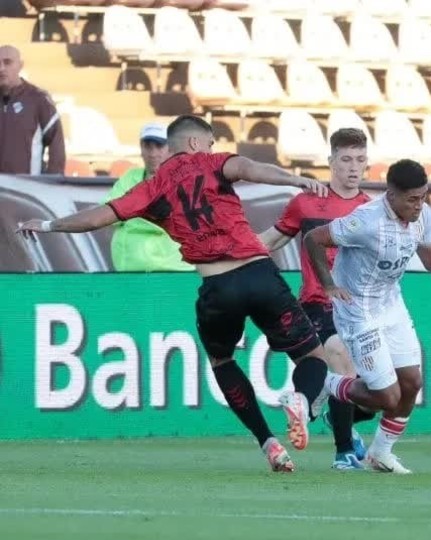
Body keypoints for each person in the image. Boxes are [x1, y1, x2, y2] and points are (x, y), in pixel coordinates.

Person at [17, 114, 359, 473]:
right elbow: (249, 167)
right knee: (313, 357)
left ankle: (268, 442)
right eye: (210, 143)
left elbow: (98, 217)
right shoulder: (212, 163)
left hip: (216, 287)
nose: (212, 149)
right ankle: (302, 400)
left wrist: (47, 225)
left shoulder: (151, 186)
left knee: (222, 362)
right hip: (259, 274)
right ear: (197, 143)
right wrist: (295, 179)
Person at [304, 159, 431, 474]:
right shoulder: (365, 221)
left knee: (412, 382)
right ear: (391, 194)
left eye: (423, 197)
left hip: (391, 306)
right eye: (412, 199)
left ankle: (380, 453)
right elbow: (313, 239)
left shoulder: (422, 217)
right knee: (388, 398)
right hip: (358, 311)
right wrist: (329, 285)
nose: (419, 205)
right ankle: (327, 383)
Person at [259, 127, 373, 470]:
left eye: (360, 160)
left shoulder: (372, 210)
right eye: (346, 160)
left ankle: (341, 424)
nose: (353, 167)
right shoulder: (307, 203)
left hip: (360, 310)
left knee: (378, 391)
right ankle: (344, 453)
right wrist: (225, 254)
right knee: (338, 357)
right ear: (331, 162)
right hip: (318, 304)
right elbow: (268, 242)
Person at [104, 122, 193, 272]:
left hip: (175, 270)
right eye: (148, 146)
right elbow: (109, 216)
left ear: (170, 149)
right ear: (141, 149)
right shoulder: (129, 177)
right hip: (130, 269)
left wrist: (132, 216)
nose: (153, 153)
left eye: (159, 146)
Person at [0, 45, 65, 175]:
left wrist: (52, 182)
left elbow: (56, 144)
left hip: (26, 188)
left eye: (7, 62)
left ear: (20, 65)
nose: (1, 68)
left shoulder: (38, 99)